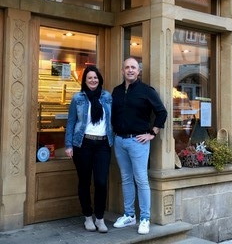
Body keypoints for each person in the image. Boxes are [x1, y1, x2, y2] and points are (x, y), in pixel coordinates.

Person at [111, 57, 167, 235]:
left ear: (138, 71)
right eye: (127, 67)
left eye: (133, 67)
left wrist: (152, 133)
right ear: (122, 70)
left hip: (138, 142)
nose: (130, 70)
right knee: (126, 179)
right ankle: (129, 215)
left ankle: (144, 218)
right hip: (120, 141)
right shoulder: (116, 91)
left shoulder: (146, 90)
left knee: (141, 180)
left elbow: (162, 112)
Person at [65, 66, 113, 233]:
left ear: (99, 79)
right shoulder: (78, 98)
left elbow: (114, 117)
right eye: (90, 78)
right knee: (84, 181)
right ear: (84, 81)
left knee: (101, 182)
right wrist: (69, 145)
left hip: (103, 145)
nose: (93, 80)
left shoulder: (106, 97)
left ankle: (99, 218)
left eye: (96, 77)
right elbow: (71, 121)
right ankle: (87, 217)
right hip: (83, 144)